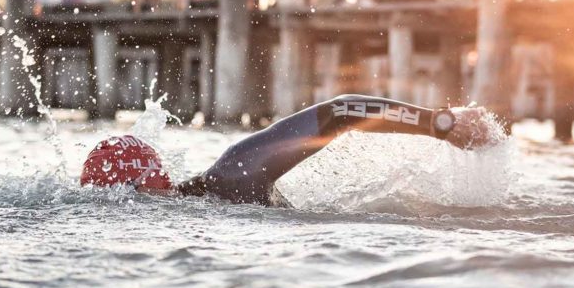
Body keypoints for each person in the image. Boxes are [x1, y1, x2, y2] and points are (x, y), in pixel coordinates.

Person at [80, 96, 498, 206]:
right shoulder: (229, 181)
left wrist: (438, 123)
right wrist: (435, 123)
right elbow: (338, 112)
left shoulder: (230, 179)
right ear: (158, 174)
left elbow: (338, 113)